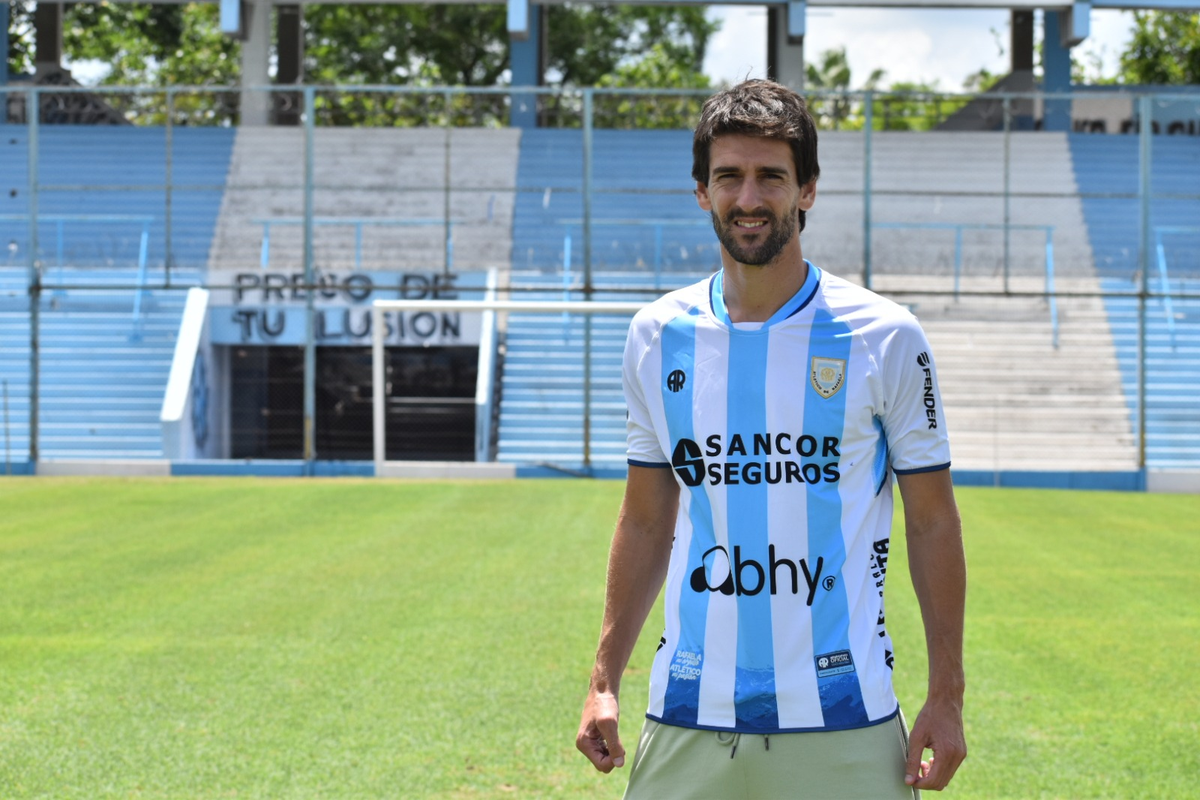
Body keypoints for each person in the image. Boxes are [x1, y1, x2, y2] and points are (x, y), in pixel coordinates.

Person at [575, 79, 967, 798]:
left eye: (771, 177)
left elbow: (934, 520)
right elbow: (645, 519)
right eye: (729, 176)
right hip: (689, 710)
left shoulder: (885, 336)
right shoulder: (656, 335)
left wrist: (947, 695)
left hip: (845, 717)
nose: (748, 198)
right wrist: (604, 680)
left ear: (807, 189)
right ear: (702, 191)